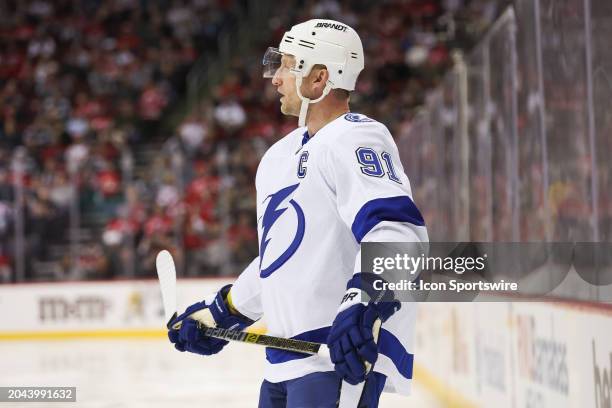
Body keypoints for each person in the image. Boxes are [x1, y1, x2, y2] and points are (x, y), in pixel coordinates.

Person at [168, 19, 428, 407]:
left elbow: (398, 230)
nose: (275, 79)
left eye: (288, 65)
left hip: (333, 361)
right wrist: (222, 312)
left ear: (320, 77)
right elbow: (279, 262)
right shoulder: (278, 157)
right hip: (281, 367)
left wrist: (365, 300)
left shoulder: (355, 137)